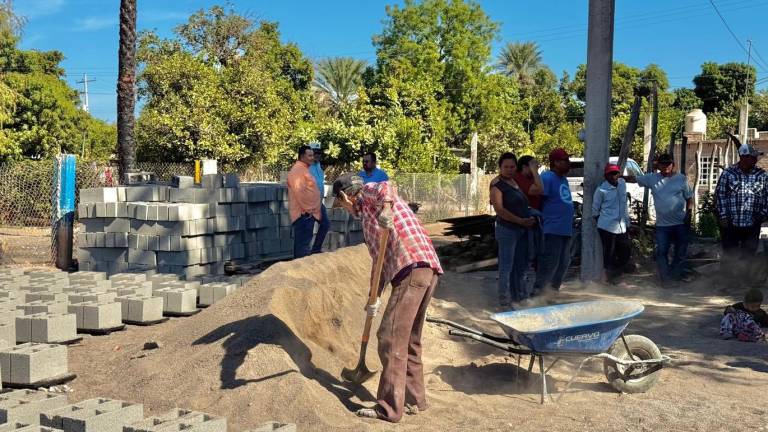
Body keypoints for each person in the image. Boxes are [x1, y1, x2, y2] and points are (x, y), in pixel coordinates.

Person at [332, 173, 442, 423]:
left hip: (412, 267)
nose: (346, 210)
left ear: (345, 195)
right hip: (425, 270)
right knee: (409, 339)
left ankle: (389, 408)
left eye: (342, 205)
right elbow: (378, 264)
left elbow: (384, 187)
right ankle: (415, 399)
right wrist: (374, 297)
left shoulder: (368, 195)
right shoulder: (368, 221)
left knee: (390, 338)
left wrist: (388, 210)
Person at [625, 154, 693, 287]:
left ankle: (673, 276)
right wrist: (618, 177)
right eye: (663, 164)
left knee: (680, 252)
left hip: (680, 222)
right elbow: (634, 179)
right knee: (661, 252)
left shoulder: (681, 179)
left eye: (668, 163)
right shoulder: (652, 178)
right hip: (663, 225)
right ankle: (666, 279)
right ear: (659, 165)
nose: (666, 166)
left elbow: (689, 198)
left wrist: (689, 213)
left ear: (673, 165)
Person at [714, 144, 768, 283]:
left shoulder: (761, 175)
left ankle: (744, 282)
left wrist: (763, 213)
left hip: (752, 222)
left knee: (749, 253)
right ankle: (727, 282)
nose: (755, 160)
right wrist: (723, 216)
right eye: (752, 157)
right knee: (730, 253)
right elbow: (720, 195)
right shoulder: (728, 174)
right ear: (743, 157)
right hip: (731, 222)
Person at [490, 153, 536, 308]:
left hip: (522, 230)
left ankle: (520, 297)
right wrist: (520, 220)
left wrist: (529, 218)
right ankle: (504, 301)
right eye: (506, 167)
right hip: (507, 230)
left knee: (521, 266)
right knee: (506, 268)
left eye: (512, 166)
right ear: (500, 168)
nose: (509, 169)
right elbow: (500, 210)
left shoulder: (515, 183)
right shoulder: (497, 185)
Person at [532, 148, 575, 294]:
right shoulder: (547, 177)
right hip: (553, 227)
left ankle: (552, 291)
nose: (568, 164)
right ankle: (538, 292)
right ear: (556, 162)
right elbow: (536, 194)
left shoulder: (563, 179)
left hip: (565, 228)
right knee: (549, 262)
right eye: (565, 161)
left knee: (563, 263)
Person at [592, 163, 631, 284]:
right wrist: (602, 222)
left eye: (615, 173)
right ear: (606, 176)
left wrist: (627, 222)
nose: (613, 176)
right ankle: (610, 279)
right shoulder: (601, 190)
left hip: (622, 225)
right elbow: (595, 209)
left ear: (618, 174)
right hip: (607, 226)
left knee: (625, 252)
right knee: (609, 253)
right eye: (610, 174)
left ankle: (615, 275)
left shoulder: (622, 184)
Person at [286, 145, 322, 259]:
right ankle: (299, 271)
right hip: (304, 215)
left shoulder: (304, 169)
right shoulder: (297, 171)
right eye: (309, 155)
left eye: (312, 155)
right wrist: (310, 210)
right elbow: (300, 193)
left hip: (307, 214)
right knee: (302, 247)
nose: (312, 158)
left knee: (304, 245)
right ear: (302, 156)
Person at [308, 142, 330, 254]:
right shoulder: (306, 166)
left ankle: (315, 250)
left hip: (319, 203)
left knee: (325, 224)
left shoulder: (318, 165)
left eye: (319, 153)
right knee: (309, 228)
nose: (317, 155)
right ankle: (304, 254)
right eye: (315, 153)